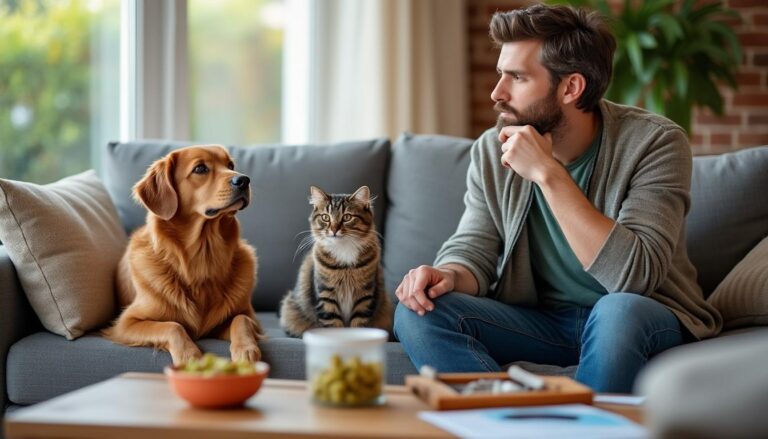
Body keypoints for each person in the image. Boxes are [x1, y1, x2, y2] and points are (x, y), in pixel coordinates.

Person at [392, 3, 722, 393]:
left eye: (516, 77)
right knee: (419, 313)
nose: (497, 93)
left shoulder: (656, 143)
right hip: (541, 322)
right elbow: (474, 248)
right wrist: (446, 275)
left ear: (571, 87)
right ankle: (505, 419)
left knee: (617, 311)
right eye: (501, 74)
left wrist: (548, 174)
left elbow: (634, 278)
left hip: (638, 316)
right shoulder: (491, 149)